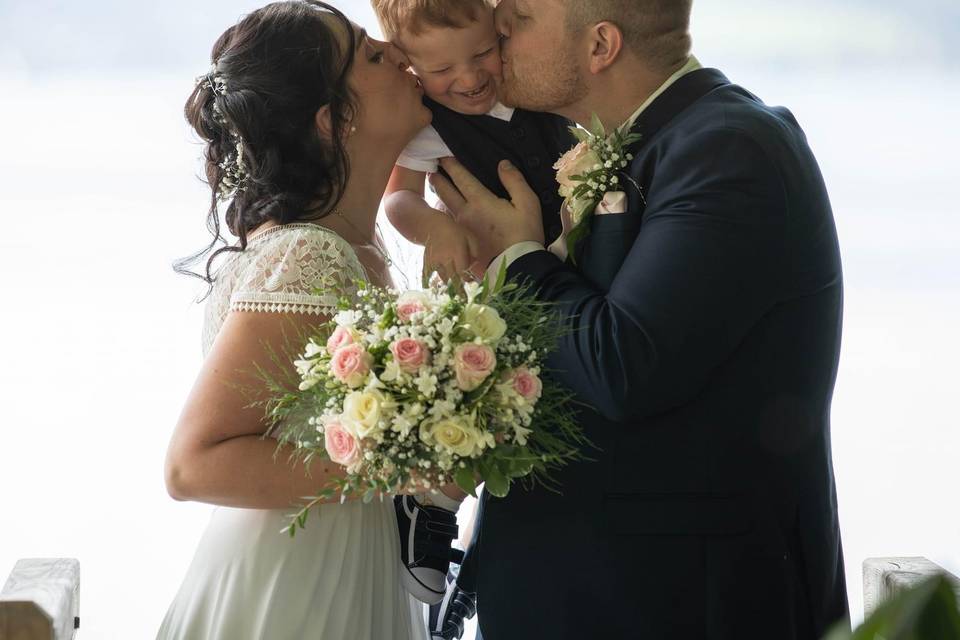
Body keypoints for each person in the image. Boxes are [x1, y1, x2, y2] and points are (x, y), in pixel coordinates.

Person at [429, 0, 851, 638]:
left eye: (520, 17)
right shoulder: (616, 144)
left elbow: (624, 363)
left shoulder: (730, 150)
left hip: (681, 602)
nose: (497, 25)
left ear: (600, 46)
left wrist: (512, 258)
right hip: (576, 592)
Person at [157, 2, 445, 638]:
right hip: (293, 586)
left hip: (336, 560)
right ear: (336, 120)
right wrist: (406, 463)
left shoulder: (348, 242)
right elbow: (191, 464)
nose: (401, 56)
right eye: (373, 55)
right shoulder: (308, 255)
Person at [371, 0, 575, 279]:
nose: (469, 80)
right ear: (409, 66)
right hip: (511, 274)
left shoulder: (531, 76)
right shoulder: (428, 124)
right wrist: (436, 227)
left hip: (593, 234)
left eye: (483, 52)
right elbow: (398, 197)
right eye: (442, 70)